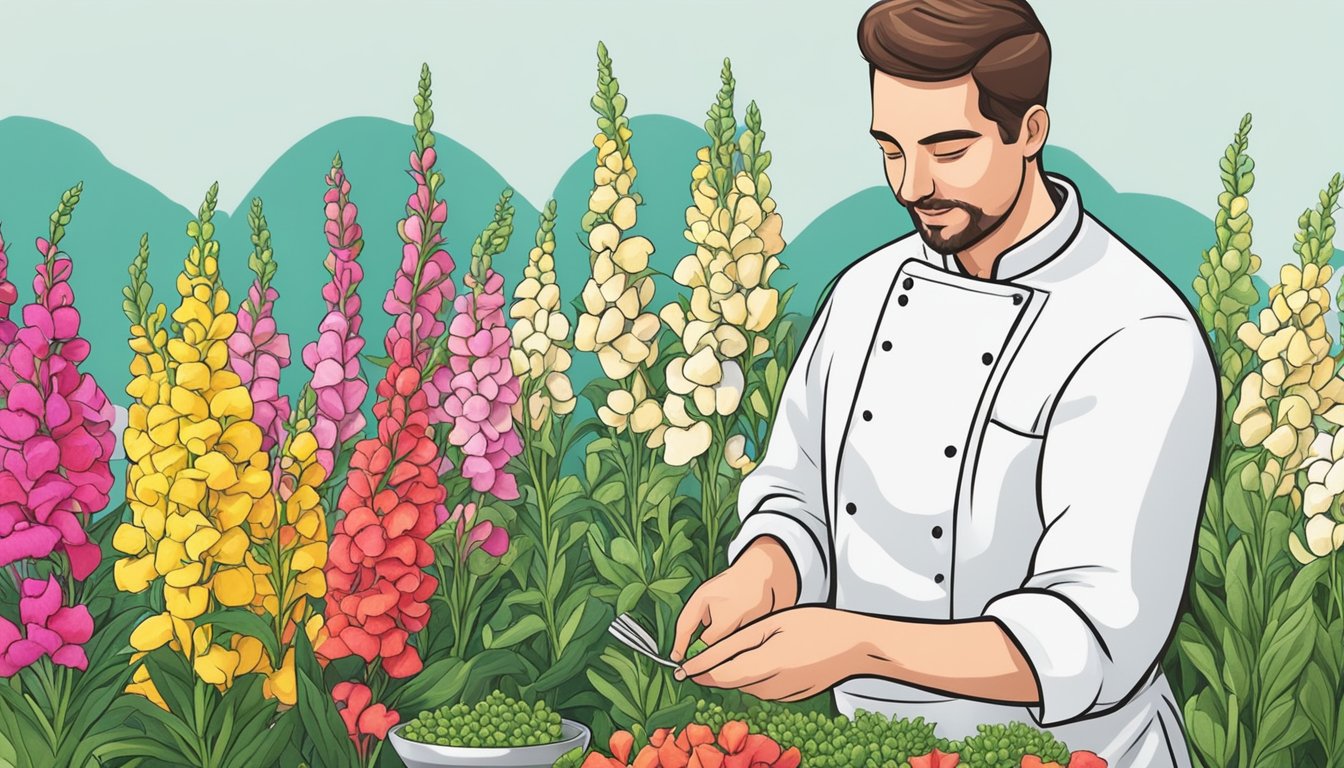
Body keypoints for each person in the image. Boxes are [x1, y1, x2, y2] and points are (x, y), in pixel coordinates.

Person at [668, 2, 1219, 766]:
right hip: (874, 749)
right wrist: (765, 568)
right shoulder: (862, 294)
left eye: (948, 149)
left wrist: (853, 645)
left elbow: (1089, 635)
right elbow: (799, 493)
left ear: (1029, 130)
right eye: (889, 148)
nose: (910, 184)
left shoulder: (1135, 333)